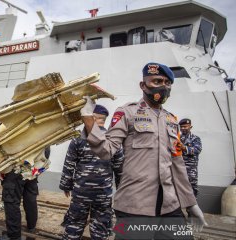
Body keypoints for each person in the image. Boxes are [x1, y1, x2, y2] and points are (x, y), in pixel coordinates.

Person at [80, 62, 207, 238]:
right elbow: (106, 150)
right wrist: (87, 117)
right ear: (143, 85)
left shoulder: (172, 121)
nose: (163, 86)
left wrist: (191, 204)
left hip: (170, 207)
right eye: (157, 81)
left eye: (167, 83)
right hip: (134, 207)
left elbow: (178, 166)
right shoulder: (126, 113)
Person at [60, 104, 123, 240]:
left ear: (92, 118)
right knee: (100, 228)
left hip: (81, 192)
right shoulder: (113, 140)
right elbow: (119, 168)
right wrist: (120, 189)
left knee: (74, 224)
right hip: (103, 193)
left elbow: (69, 164)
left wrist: (66, 185)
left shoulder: (78, 139)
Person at [179, 118, 202, 198]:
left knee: (192, 188)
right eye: (181, 127)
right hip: (179, 167)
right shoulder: (177, 138)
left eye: (185, 126)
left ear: (190, 127)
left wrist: (184, 148)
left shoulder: (195, 138)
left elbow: (197, 150)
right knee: (179, 187)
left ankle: (192, 209)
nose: (183, 128)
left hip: (191, 169)